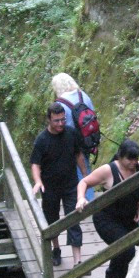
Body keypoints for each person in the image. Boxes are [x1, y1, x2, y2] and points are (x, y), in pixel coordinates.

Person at [76, 140, 139, 278]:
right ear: (120, 156)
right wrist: (81, 198)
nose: (133, 163)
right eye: (129, 159)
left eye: (135, 159)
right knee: (126, 250)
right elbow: (84, 182)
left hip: (129, 218)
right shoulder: (108, 170)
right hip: (107, 219)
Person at [31, 102, 89, 267]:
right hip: (50, 188)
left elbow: (78, 155)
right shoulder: (42, 140)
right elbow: (35, 163)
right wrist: (38, 181)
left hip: (71, 185)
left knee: (74, 219)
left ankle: (77, 260)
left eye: (63, 120)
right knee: (52, 220)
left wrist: (85, 176)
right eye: (56, 121)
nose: (60, 124)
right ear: (49, 120)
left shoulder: (71, 133)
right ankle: (56, 249)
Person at [52, 73, 96, 201]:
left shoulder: (61, 103)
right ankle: (88, 198)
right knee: (85, 169)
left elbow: (60, 126)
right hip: (88, 139)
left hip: (71, 143)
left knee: (77, 173)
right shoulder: (84, 96)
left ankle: (85, 202)